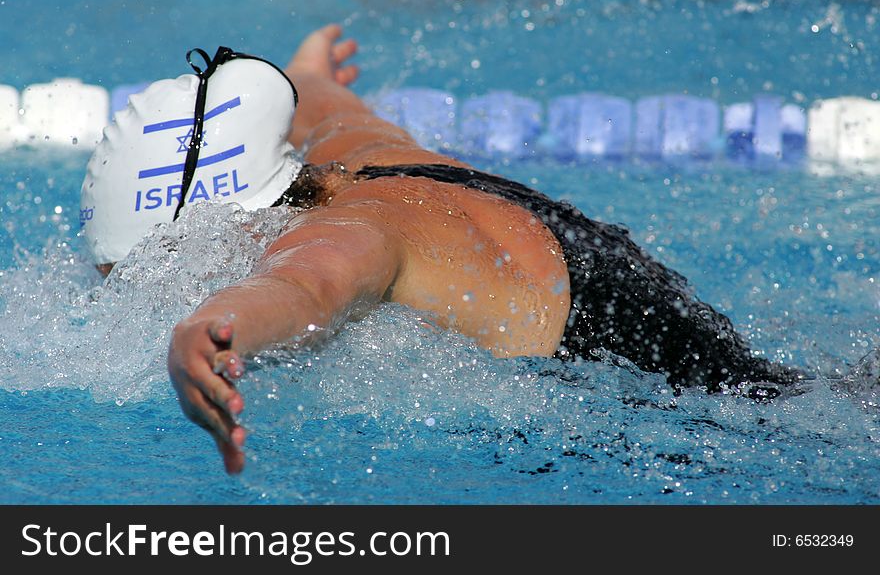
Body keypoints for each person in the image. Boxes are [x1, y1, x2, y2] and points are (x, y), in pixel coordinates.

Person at [81, 24, 804, 474]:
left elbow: (305, 293)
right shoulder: (347, 153)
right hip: (640, 297)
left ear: (226, 215)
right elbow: (314, 92)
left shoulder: (343, 236)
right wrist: (310, 68)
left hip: (670, 411)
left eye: (157, 266)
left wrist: (205, 331)